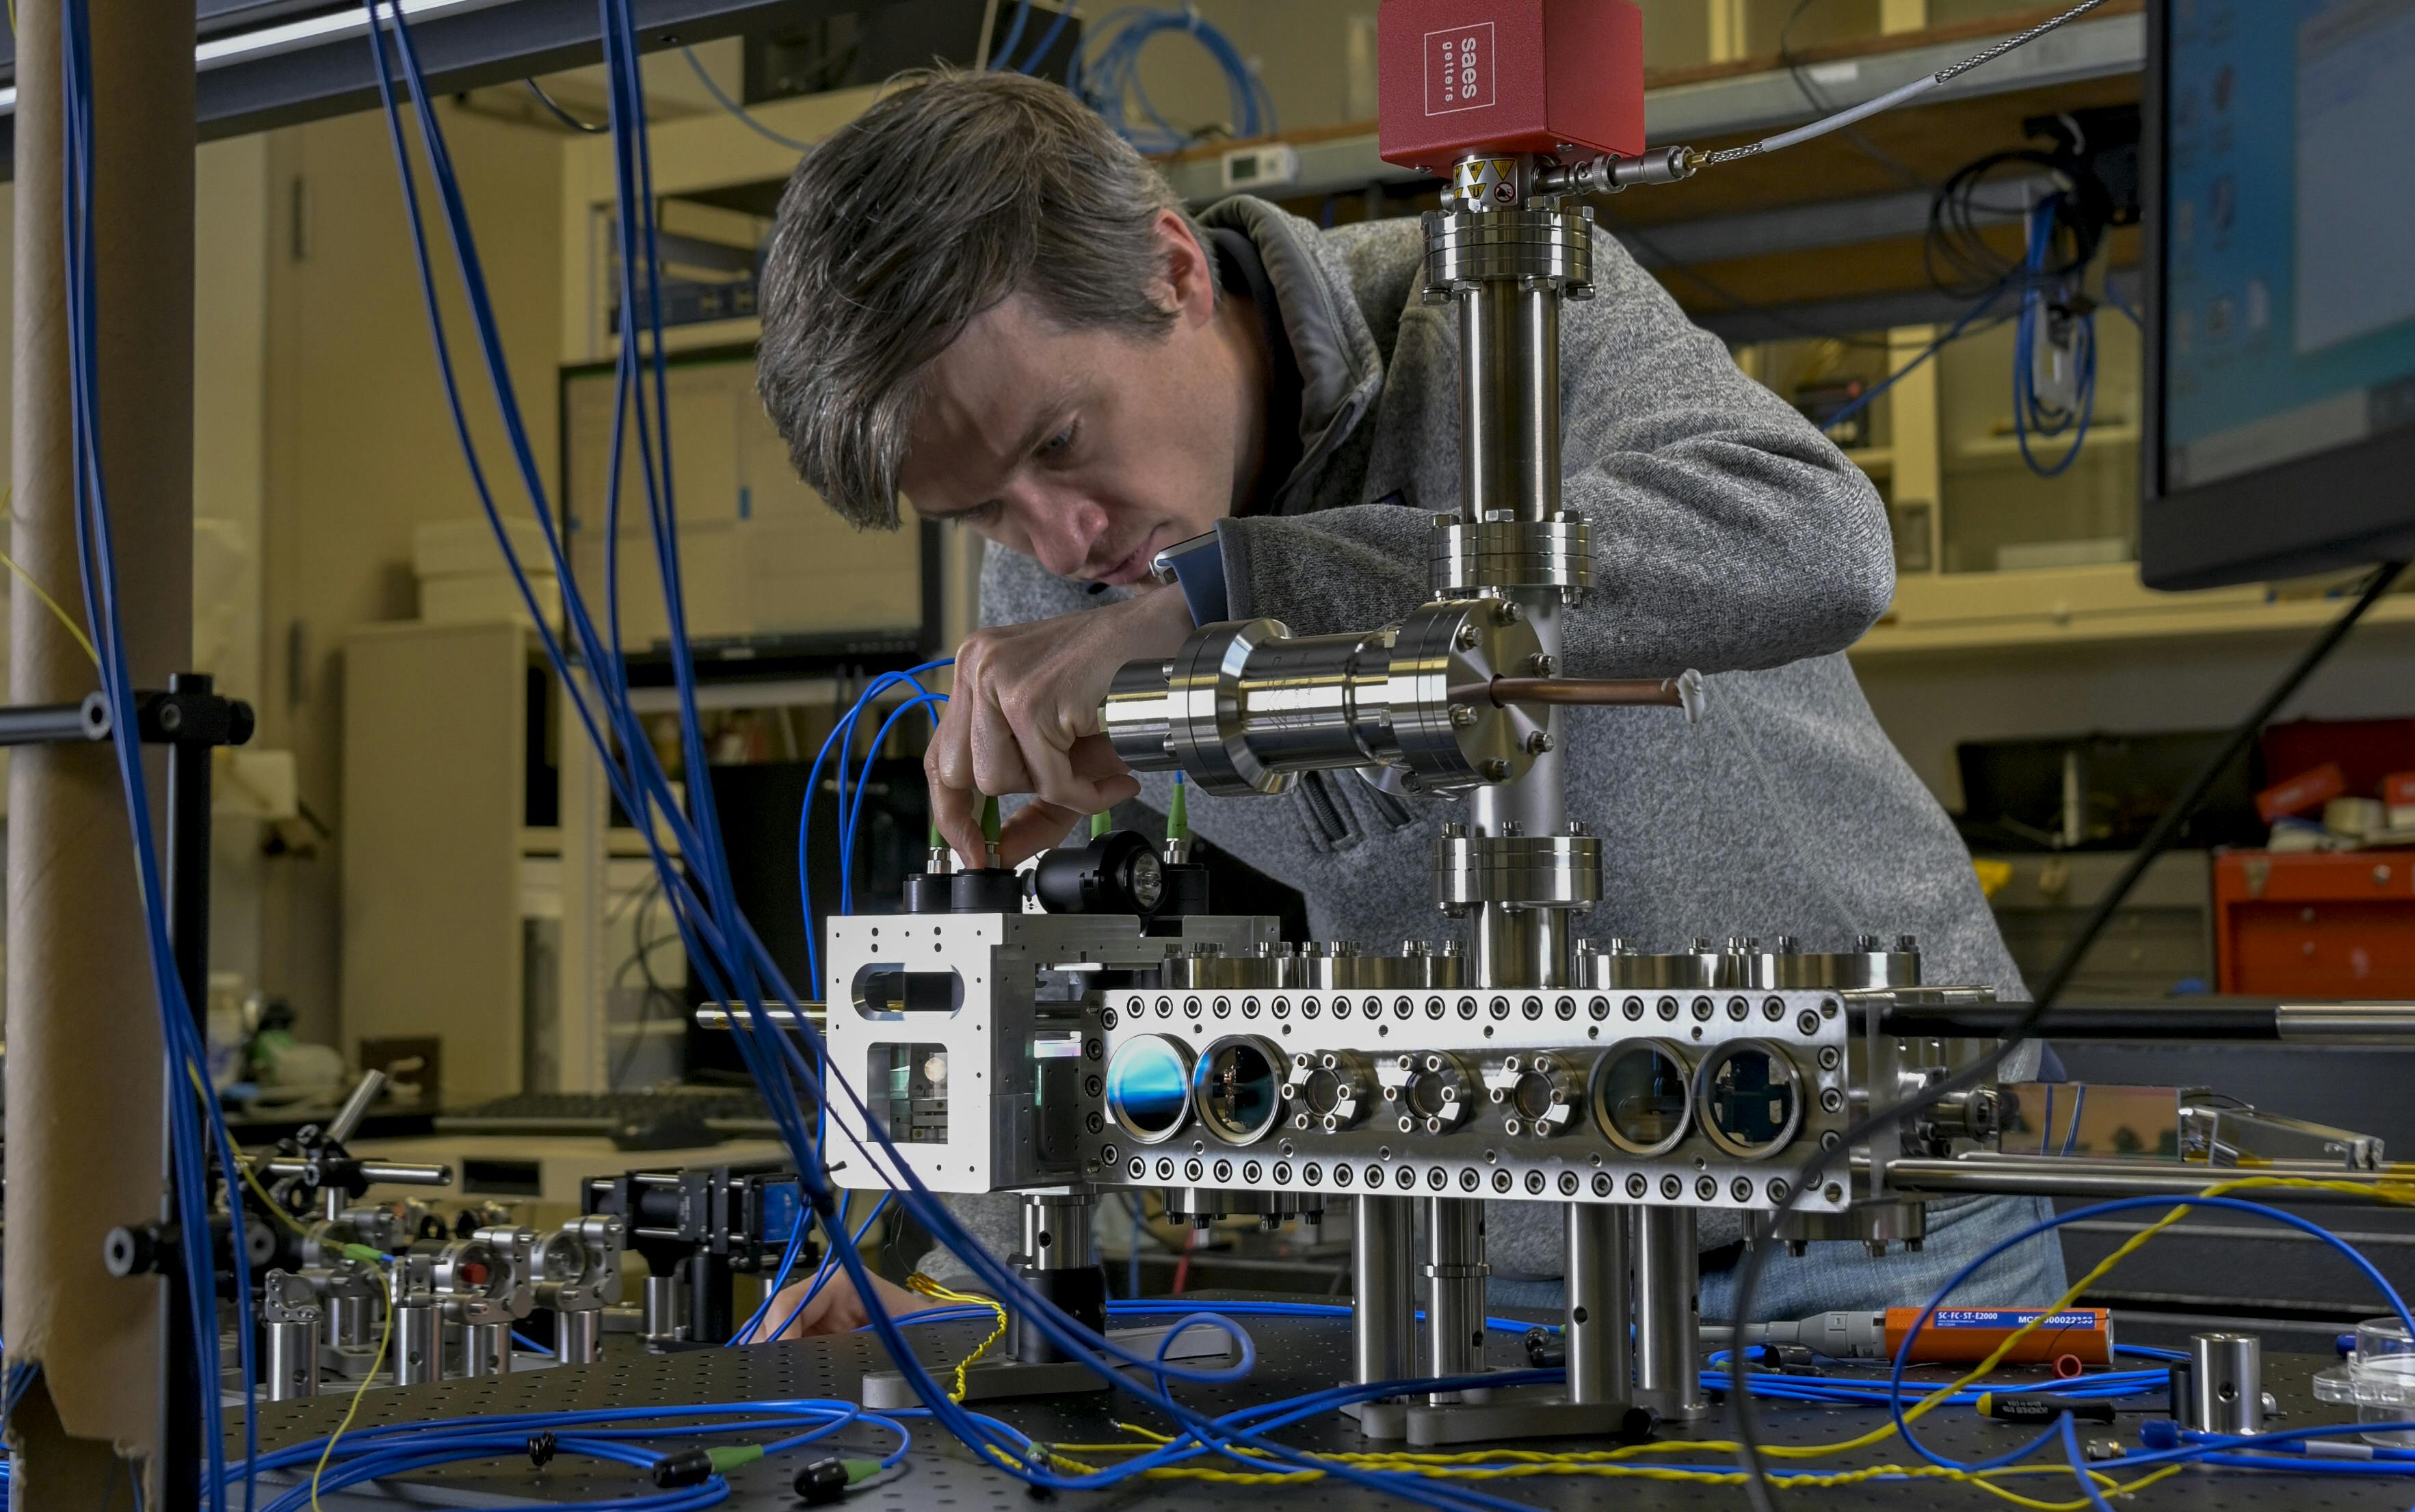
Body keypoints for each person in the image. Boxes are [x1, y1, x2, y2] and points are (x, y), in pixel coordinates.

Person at [745, 69, 2063, 1341]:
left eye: (1056, 443)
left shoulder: (1498, 302)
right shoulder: (1050, 580)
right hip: (1498, 1256)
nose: (1063, 535)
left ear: (1173, 272)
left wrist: (1242, 589)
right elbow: (1039, 968)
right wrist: (950, 1280)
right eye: (978, 507)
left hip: (1879, 1208)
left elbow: (1815, 541)